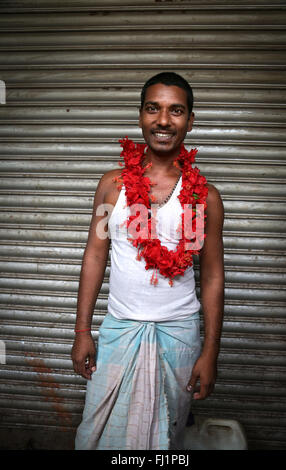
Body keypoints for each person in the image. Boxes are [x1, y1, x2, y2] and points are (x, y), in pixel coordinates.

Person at [72, 72, 224, 450]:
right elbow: (95, 254)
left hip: (178, 337)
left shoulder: (205, 197)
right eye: (153, 108)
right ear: (140, 115)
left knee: (165, 437)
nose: (163, 120)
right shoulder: (113, 185)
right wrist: (82, 332)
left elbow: (212, 277)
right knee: (95, 433)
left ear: (190, 120)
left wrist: (210, 352)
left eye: (176, 111)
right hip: (119, 332)